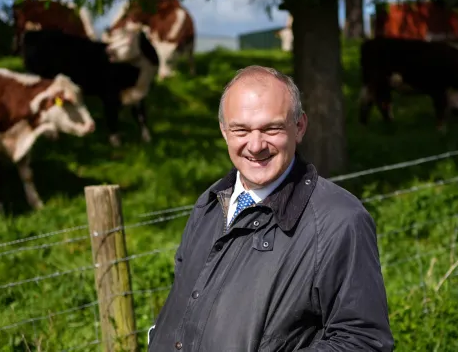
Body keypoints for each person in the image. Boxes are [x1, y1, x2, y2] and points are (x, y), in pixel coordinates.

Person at [147, 65, 394, 351]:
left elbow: (363, 341)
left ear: (299, 127)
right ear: (224, 131)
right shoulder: (210, 203)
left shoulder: (340, 221)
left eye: (271, 128)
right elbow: (183, 302)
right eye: (241, 129)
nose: (255, 145)